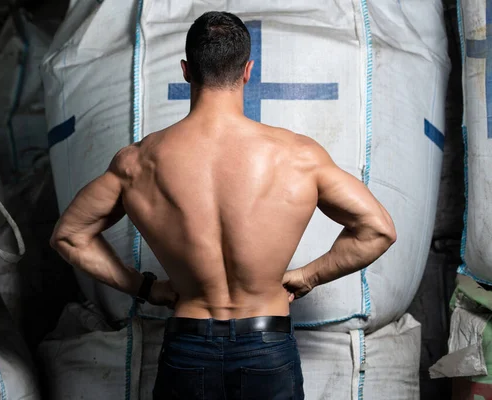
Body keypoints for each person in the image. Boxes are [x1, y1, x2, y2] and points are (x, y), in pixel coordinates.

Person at [50, 10, 396, 400]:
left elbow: (70, 236)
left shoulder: (138, 162)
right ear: (248, 70)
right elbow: (378, 229)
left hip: (188, 345)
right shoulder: (298, 156)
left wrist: (145, 288)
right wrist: (308, 276)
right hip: (268, 345)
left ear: (185, 70)